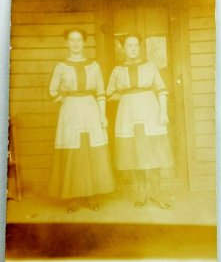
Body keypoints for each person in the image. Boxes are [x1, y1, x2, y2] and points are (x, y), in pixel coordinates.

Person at [48, 28, 114, 212]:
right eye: (72, 40)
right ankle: (74, 198)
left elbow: (100, 91)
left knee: (90, 150)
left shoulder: (94, 65)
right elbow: (52, 91)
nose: (75, 43)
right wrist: (65, 100)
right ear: (66, 43)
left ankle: (91, 196)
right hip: (70, 111)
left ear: (84, 43)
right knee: (73, 152)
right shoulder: (61, 66)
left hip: (91, 110)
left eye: (79, 40)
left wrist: (101, 116)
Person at [107, 34, 174, 209]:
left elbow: (161, 89)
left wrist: (163, 112)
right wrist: (126, 96)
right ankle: (142, 194)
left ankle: (157, 194)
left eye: (136, 45)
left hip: (150, 111)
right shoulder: (118, 70)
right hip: (128, 115)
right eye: (129, 45)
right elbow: (110, 94)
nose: (133, 48)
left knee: (153, 153)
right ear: (123, 48)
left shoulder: (150, 66)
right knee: (137, 154)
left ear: (139, 47)